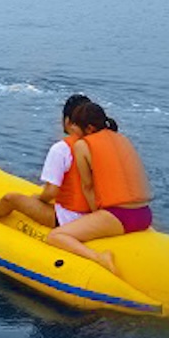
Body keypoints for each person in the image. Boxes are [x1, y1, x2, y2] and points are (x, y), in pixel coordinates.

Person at [0, 94, 93, 228]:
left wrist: (38, 199)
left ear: (67, 121)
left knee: (11, 199)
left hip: (67, 218)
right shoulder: (97, 146)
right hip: (95, 214)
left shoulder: (61, 149)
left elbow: (51, 192)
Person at [45, 102, 152, 274]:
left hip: (119, 217)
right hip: (145, 215)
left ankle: (99, 258)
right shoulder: (121, 139)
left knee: (56, 236)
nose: (72, 129)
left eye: (75, 126)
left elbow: (87, 187)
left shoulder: (82, 145)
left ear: (88, 128)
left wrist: (96, 217)